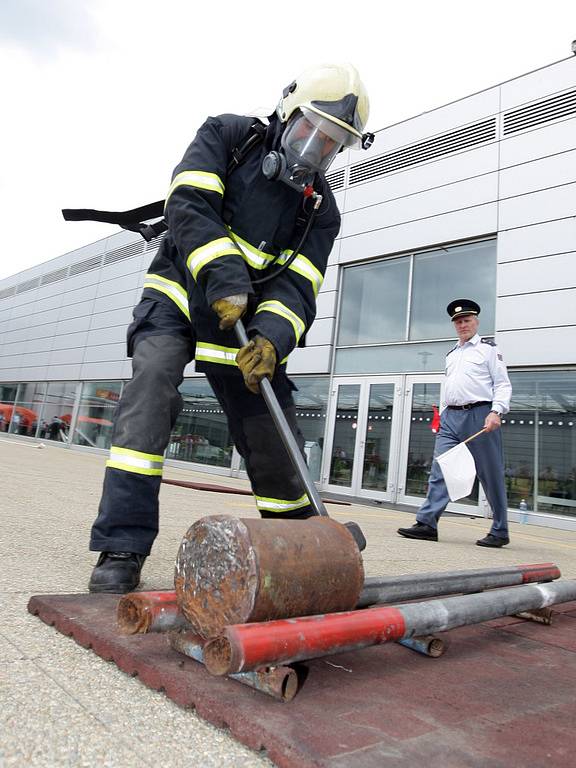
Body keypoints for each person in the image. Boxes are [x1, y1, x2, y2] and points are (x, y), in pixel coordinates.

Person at [88, 63, 373, 593]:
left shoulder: (320, 211)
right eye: (310, 130)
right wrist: (223, 278)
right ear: (288, 114)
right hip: (180, 294)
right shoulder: (226, 135)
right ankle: (121, 547)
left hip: (242, 324)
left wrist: (271, 338)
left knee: (271, 428)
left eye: (332, 143)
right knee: (150, 392)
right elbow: (189, 204)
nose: (315, 149)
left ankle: (301, 545)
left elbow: (298, 286)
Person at [398, 299, 512, 548]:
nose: (462, 325)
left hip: (480, 415)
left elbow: (502, 384)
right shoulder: (451, 354)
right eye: (458, 322)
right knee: (442, 468)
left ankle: (500, 530)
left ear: (476, 322)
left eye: (467, 320)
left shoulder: (488, 349)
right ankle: (427, 523)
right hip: (451, 417)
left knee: (489, 474)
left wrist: (496, 411)